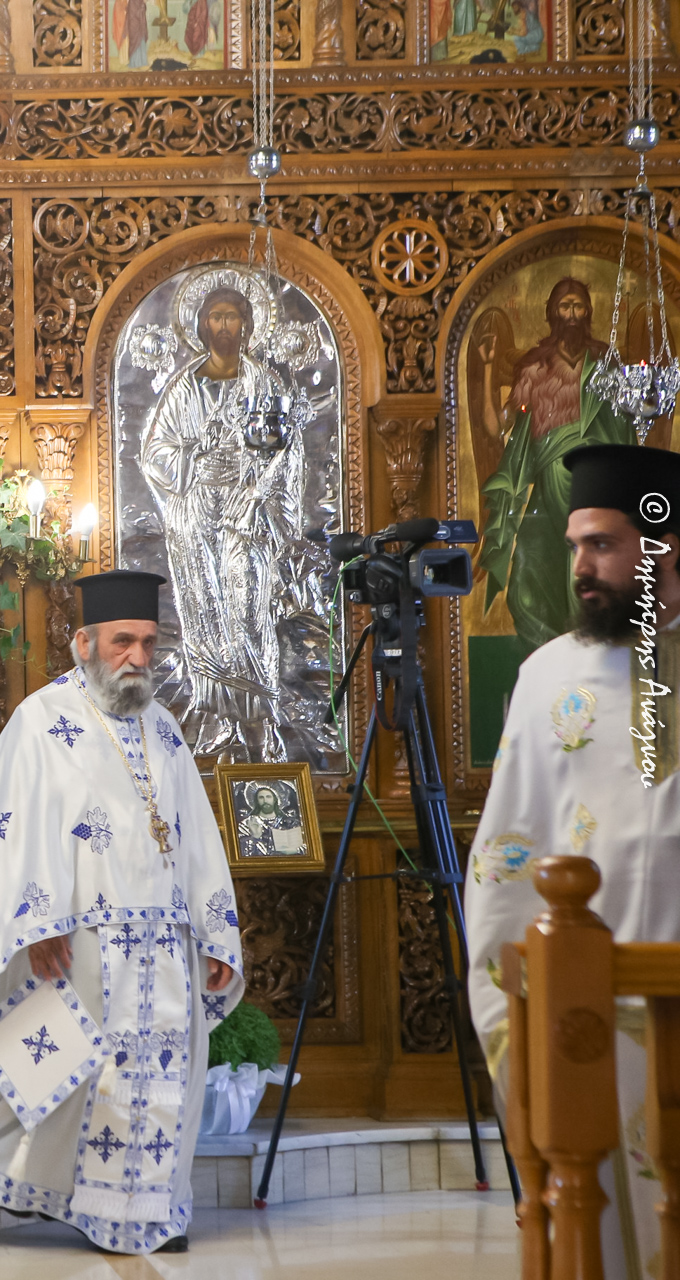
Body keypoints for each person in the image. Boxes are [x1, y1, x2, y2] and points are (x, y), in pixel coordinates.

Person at [0, 570, 244, 1256]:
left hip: (165, 945)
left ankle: (151, 1212)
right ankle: (82, 1202)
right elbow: (15, 826)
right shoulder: (42, 719)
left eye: (148, 643)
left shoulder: (164, 729)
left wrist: (216, 932)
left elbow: (195, 834)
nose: (137, 656)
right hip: (84, 937)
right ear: (84, 643)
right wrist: (38, 924)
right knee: (75, 1080)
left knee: (165, 1083)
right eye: (122, 641)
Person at [465, 443, 680, 1280]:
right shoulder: (547, 679)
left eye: (603, 544)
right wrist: (507, 1010)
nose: (581, 567)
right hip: (587, 1028)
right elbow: (507, 854)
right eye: (575, 546)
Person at [139, 283, 314, 762]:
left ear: (247, 325)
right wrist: (196, 459)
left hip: (247, 518)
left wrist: (252, 482)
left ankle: (260, 725)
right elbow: (155, 454)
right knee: (206, 618)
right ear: (201, 326)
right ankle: (219, 720)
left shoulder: (265, 386)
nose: (223, 326)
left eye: (231, 317)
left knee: (249, 614)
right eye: (215, 317)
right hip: (197, 522)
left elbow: (287, 454)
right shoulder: (183, 389)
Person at [476, 279, 632, 653]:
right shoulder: (535, 367)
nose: (572, 314)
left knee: (584, 559)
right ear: (552, 313)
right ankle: (558, 656)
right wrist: (488, 368)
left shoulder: (605, 363)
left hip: (593, 480)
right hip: (549, 483)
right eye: (565, 306)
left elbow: (626, 423)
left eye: (578, 306)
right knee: (526, 585)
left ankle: (590, 642)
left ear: (588, 312)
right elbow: (497, 428)